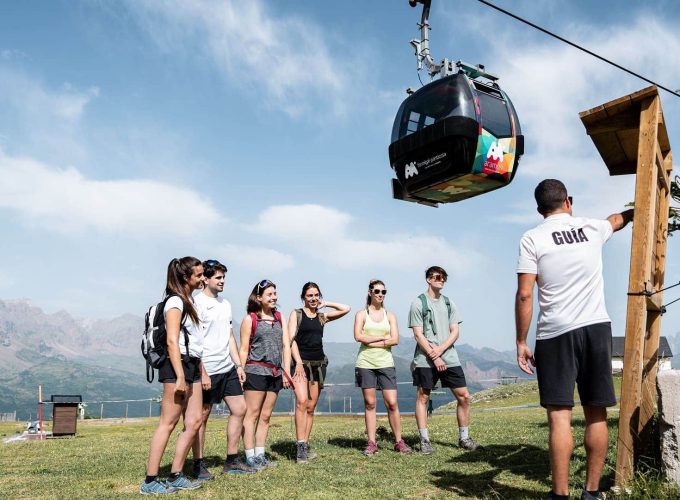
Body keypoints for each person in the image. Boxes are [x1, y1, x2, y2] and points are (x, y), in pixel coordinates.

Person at [515, 179, 634, 500]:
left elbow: (526, 293)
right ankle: (592, 493)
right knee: (596, 412)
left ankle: (560, 495)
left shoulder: (532, 238)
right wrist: (634, 211)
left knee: (559, 416)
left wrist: (521, 341)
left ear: (539, 209)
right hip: (596, 328)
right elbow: (615, 221)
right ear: (568, 201)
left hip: (555, 333)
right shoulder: (591, 228)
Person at [140, 257, 205, 495]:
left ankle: (176, 474)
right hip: (176, 366)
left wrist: (199, 370)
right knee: (168, 423)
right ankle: (150, 480)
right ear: (185, 277)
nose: (202, 278)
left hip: (193, 364)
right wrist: (179, 376)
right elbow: (171, 341)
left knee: (195, 420)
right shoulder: (175, 302)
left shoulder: (190, 301)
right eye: (198, 275)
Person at [190, 260, 256, 479]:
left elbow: (229, 336)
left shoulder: (225, 304)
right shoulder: (196, 303)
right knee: (202, 416)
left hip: (227, 367)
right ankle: (198, 464)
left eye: (223, 278)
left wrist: (238, 364)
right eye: (218, 278)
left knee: (239, 409)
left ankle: (231, 460)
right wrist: (203, 372)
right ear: (205, 279)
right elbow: (194, 340)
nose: (222, 281)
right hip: (207, 368)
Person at [409, 266, 480, 454]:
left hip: (449, 356)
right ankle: (424, 440)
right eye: (438, 277)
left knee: (464, 396)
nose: (442, 280)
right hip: (425, 358)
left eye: (444, 278)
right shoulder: (418, 303)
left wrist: (440, 352)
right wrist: (434, 355)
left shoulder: (449, 303)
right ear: (428, 279)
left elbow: (455, 331)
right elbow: (418, 334)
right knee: (423, 397)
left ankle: (464, 438)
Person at [288, 282, 350, 464]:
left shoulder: (322, 317)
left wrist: (327, 303)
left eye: (316, 295)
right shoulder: (296, 314)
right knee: (301, 402)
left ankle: (305, 446)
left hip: (318, 363)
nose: (314, 299)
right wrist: (298, 362)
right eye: (310, 296)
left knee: (311, 407)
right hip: (300, 363)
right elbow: (291, 340)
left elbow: (346, 309)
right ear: (303, 298)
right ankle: (299, 448)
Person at [239, 279, 294, 470]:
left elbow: (286, 345)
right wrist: (240, 369)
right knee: (251, 414)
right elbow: (244, 348)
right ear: (259, 297)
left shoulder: (280, 317)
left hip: (275, 372)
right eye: (269, 294)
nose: (274, 297)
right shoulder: (250, 319)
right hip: (255, 371)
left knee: (266, 415)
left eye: (275, 293)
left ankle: (260, 454)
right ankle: (249, 455)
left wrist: (286, 371)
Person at [354, 279, 412, 456]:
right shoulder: (361, 314)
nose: (380, 294)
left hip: (386, 363)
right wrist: (383, 340)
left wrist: (370, 339)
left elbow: (395, 339)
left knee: (392, 403)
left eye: (383, 292)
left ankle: (398, 441)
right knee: (370, 403)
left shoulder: (390, 315)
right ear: (370, 292)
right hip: (365, 363)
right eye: (377, 291)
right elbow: (358, 336)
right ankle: (371, 443)